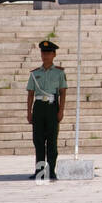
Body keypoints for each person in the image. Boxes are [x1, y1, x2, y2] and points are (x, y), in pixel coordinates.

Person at [26, 40, 67, 180]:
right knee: (38, 140)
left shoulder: (59, 73)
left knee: (51, 140)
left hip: (51, 107)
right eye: (43, 52)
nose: (45, 55)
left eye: (49, 52)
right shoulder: (35, 73)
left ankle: (51, 170)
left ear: (54, 54)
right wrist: (29, 112)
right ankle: (40, 170)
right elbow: (30, 94)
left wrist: (61, 110)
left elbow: (63, 92)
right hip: (39, 107)